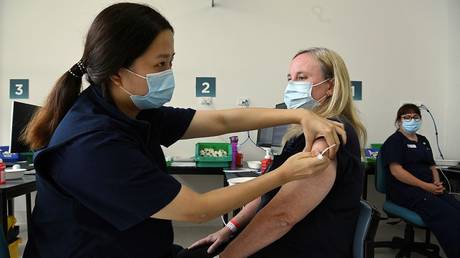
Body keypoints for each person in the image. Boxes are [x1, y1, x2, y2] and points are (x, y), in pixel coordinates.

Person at [21, 4, 346, 258]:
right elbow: (197, 209)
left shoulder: (131, 110)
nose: (169, 73)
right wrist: (282, 174)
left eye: (171, 62)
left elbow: (220, 121)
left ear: (331, 86)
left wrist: (294, 115)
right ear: (118, 74)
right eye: (160, 65)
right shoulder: (92, 143)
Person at [189, 47, 367, 258]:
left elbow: (282, 216)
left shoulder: (328, 135)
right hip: (280, 237)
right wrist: (229, 230)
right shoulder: (300, 133)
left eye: (301, 78)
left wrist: (225, 256)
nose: (292, 86)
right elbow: (269, 193)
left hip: (304, 246)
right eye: (290, 79)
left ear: (330, 86)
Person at [380, 103, 460, 258]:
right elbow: (397, 172)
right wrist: (427, 186)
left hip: (429, 188)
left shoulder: (423, 140)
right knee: (447, 217)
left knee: (456, 209)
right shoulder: (394, 141)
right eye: (407, 117)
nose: (412, 120)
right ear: (399, 121)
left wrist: (436, 183)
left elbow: (432, 166)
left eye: (416, 117)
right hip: (406, 191)